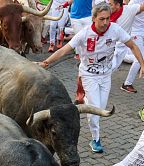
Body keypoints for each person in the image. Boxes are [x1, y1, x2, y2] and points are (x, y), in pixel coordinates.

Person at [39, 2, 144, 154]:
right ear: (93, 18)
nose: (106, 22)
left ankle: (85, 101)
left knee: (100, 108)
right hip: (88, 75)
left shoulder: (115, 30)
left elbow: (133, 45)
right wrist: (47, 62)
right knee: (95, 111)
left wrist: (142, 63)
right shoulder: (84, 34)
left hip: (105, 75)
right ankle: (95, 139)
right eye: (102, 19)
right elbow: (64, 50)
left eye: (108, 18)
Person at [109, 0, 144, 74]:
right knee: (107, 71)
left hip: (121, 47)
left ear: (118, 5)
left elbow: (141, 8)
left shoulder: (129, 9)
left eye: (110, 4)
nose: (108, 6)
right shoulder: (106, 14)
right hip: (111, 48)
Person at [120, 0, 144, 93]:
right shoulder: (132, 3)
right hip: (135, 33)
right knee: (139, 58)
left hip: (141, 31)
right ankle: (127, 84)